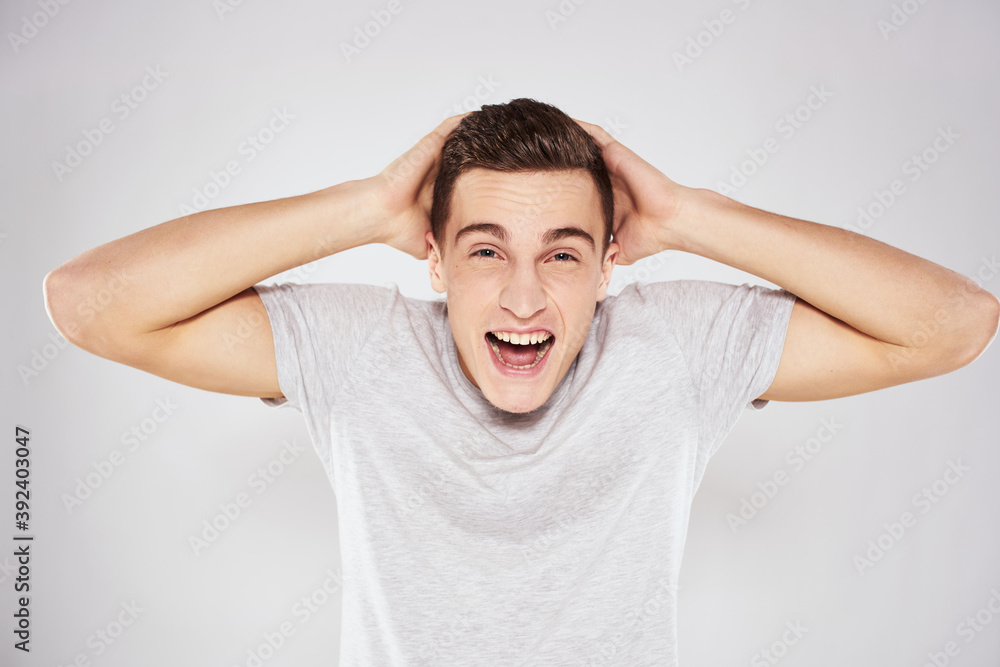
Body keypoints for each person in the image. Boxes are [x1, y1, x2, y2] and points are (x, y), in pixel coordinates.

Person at [43, 98, 998, 665]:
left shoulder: (674, 350)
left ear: (612, 262)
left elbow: (954, 326)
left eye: (565, 254)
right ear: (436, 259)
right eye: (486, 248)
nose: (525, 296)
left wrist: (691, 215)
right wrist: (369, 205)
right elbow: (90, 302)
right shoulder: (360, 351)